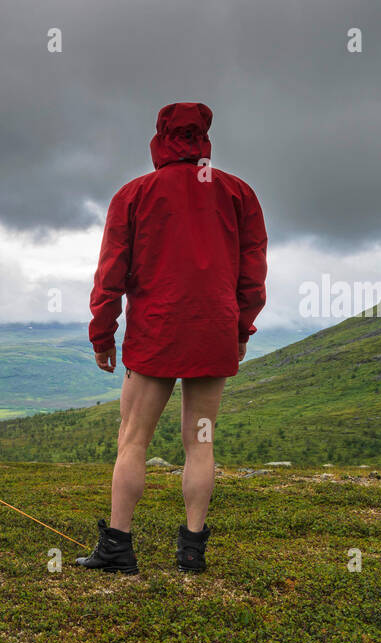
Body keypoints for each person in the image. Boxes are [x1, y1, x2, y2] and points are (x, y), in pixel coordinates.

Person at [76, 102, 267, 574]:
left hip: (156, 331)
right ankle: (191, 551)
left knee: (133, 440)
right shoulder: (238, 193)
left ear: (160, 136)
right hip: (213, 330)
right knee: (201, 442)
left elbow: (110, 274)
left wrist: (103, 334)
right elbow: (252, 273)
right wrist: (241, 329)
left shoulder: (135, 194)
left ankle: (118, 547)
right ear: (205, 137)